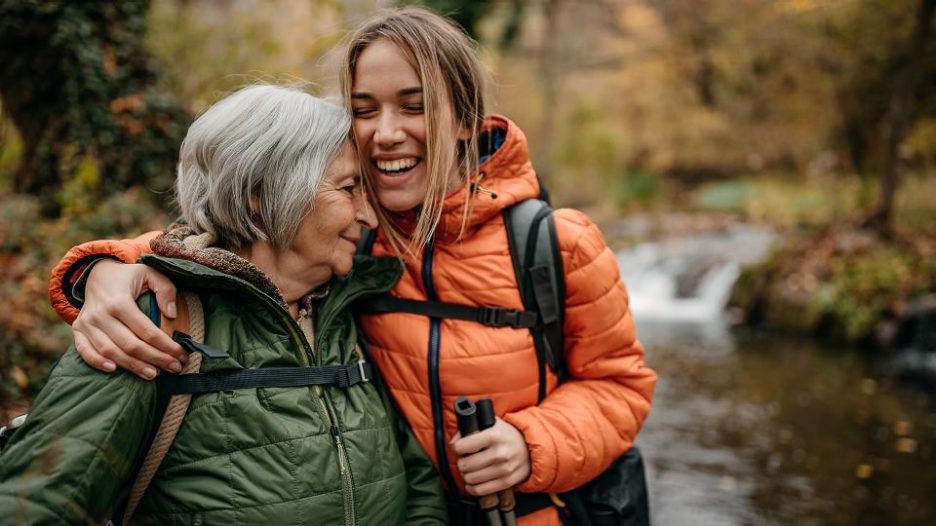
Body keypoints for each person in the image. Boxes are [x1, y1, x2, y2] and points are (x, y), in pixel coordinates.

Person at [46, 7, 657, 525]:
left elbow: (621, 387)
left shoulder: (556, 243)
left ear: (466, 120)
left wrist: (533, 444)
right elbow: (225, 235)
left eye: (414, 107)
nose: (385, 133)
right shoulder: (348, 234)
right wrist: (108, 265)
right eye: (364, 109)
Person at [1, 85, 447, 525]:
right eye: (349, 188)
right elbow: (33, 506)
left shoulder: (351, 318)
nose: (368, 215)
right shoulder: (150, 325)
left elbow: (418, 488)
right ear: (262, 196)